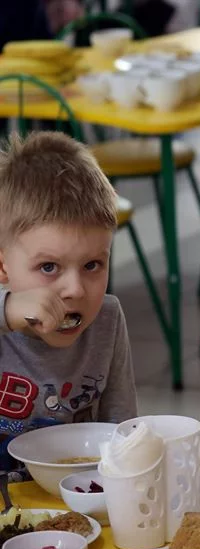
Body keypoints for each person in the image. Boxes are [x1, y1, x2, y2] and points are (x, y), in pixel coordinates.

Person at [0, 132, 138, 472]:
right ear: (3, 267)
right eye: (49, 267)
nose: (75, 289)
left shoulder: (107, 320)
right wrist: (8, 308)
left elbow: (123, 435)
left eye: (92, 265)